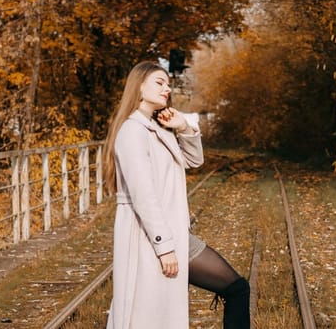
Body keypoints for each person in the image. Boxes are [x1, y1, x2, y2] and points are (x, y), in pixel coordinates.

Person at [103, 61, 203, 328]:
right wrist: (164, 246)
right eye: (159, 82)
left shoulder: (158, 127)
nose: (167, 89)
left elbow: (194, 161)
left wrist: (183, 127)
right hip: (147, 237)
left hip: (171, 234)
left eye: (168, 84)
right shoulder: (132, 131)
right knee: (145, 315)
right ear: (140, 85)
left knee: (159, 314)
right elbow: (143, 196)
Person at [189, 233, 251, 328]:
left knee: (237, 289)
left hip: (176, 236)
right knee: (237, 289)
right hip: (172, 240)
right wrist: (165, 249)